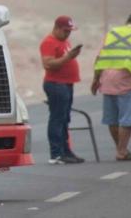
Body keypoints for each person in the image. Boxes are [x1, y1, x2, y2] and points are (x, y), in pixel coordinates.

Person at [91, 13, 131, 161]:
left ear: (127, 22)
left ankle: (121, 149)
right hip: (127, 81)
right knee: (127, 118)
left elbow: (99, 57)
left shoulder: (112, 33)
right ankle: (121, 151)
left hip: (107, 80)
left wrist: (96, 79)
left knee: (112, 119)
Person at [41, 15, 85, 164]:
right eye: (65, 31)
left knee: (65, 118)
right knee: (57, 118)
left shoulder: (64, 41)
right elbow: (48, 64)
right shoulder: (48, 42)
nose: (68, 34)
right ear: (57, 28)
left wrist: (71, 56)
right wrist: (68, 57)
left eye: (70, 31)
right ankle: (56, 153)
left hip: (66, 83)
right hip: (55, 84)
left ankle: (66, 151)